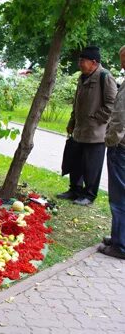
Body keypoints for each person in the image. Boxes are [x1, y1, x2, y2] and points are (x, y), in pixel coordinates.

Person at [57, 46, 117, 206]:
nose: (80, 63)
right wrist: (72, 121)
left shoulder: (105, 77)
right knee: (75, 161)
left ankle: (89, 195)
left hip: (96, 132)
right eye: (79, 60)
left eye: (82, 60)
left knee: (92, 165)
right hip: (79, 129)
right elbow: (77, 103)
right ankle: (74, 190)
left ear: (94, 62)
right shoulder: (82, 77)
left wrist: (95, 118)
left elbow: (112, 105)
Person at [98, 45, 125, 259]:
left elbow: (119, 119)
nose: (121, 63)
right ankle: (119, 238)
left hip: (121, 149)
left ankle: (120, 245)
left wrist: (110, 140)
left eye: (123, 59)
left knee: (119, 198)